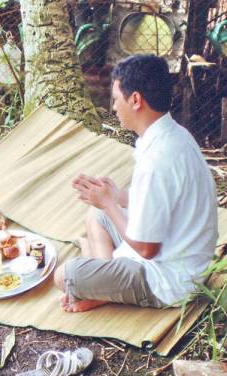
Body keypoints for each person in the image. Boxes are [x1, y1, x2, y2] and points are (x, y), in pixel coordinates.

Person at [53, 54, 218, 312]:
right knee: (95, 215)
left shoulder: (156, 160)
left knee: (64, 276)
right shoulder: (174, 135)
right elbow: (164, 202)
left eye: (116, 99)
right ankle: (104, 284)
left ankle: (101, 284)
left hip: (168, 282)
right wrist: (116, 196)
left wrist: (110, 204)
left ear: (136, 100)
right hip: (179, 255)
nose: (114, 107)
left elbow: (146, 249)